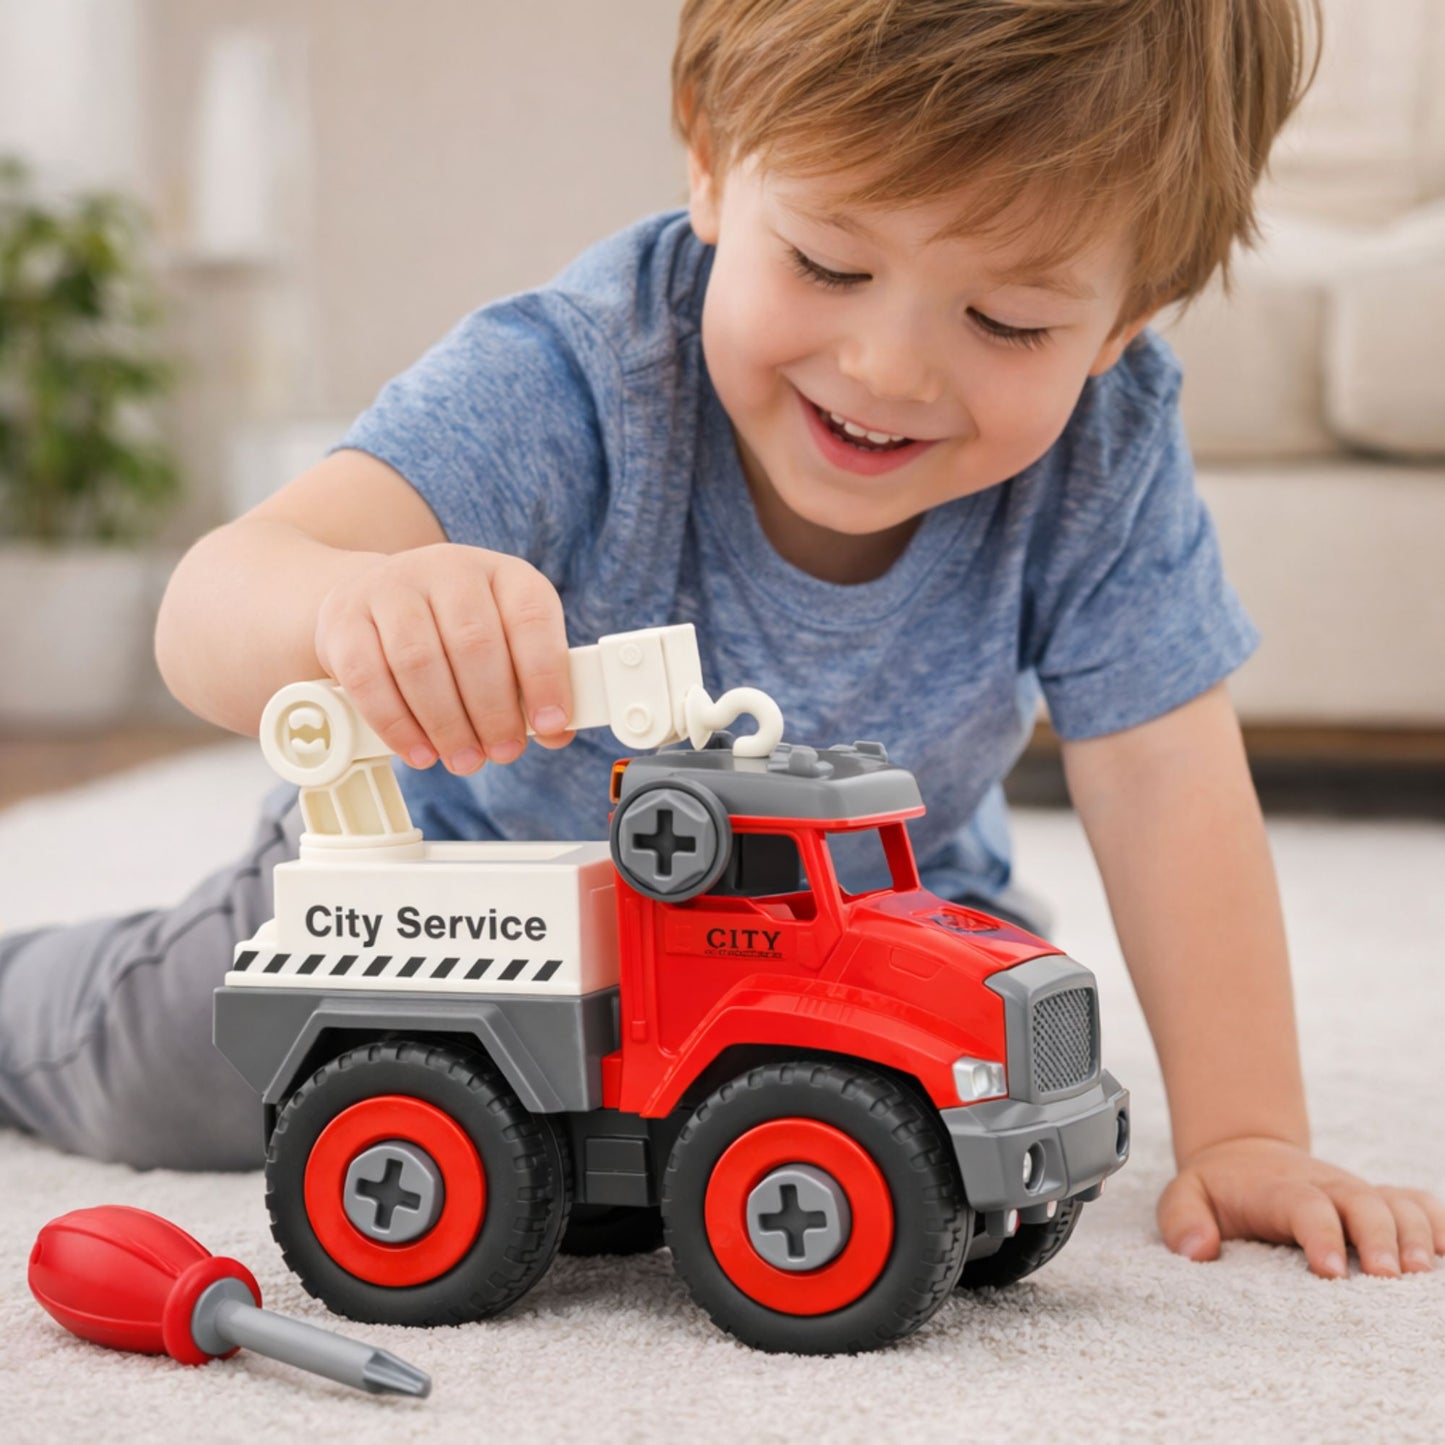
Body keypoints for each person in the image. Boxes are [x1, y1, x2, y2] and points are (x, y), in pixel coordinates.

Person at [2, 0, 1440, 1281]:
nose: (885, 368)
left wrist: (1249, 1125)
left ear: (1126, 317)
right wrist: (345, 608)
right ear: (708, 158)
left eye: (1005, 320)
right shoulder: (571, 378)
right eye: (824, 263)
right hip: (442, 913)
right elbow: (210, 606)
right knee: (152, 1075)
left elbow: (1167, 781)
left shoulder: (1103, 451)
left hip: (846, 929)